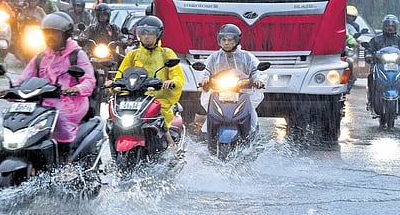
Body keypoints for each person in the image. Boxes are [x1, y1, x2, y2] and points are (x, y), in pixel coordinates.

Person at [15, 11, 96, 165]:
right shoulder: (41, 56)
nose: (50, 37)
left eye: (54, 33)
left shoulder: (76, 55)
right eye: (47, 33)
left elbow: (89, 80)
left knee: (61, 119)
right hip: (42, 104)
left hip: (71, 103)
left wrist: (76, 89)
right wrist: (13, 90)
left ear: (65, 35)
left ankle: (66, 162)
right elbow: (24, 78)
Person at [107, 16, 184, 150]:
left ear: (158, 34)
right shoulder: (133, 55)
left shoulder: (166, 53)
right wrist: (114, 85)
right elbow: (121, 74)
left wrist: (172, 82)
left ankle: (171, 146)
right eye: (143, 33)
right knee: (113, 121)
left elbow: (177, 76)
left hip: (158, 98)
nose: (146, 37)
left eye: (150, 33)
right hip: (134, 97)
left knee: (161, 116)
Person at [200, 24, 266, 134]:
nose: (226, 43)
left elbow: (256, 70)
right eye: (223, 39)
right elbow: (206, 70)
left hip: (242, 91)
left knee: (252, 116)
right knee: (211, 113)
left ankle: (250, 134)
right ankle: (210, 135)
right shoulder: (214, 57)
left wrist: (257, 80)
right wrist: (204, 79)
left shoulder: (246, 56)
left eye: (229, 40)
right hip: (219, 91)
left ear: (236, 40)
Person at [364, 14, 400, 110]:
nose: (390, 28)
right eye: (387, 26)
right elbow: (369, 49)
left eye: (392, 26)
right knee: (371, 76)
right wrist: (369, 55)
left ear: (396, 27)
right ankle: (371, 99)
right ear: (383, 26)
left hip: (397, 66)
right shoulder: (376, 39)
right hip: (380, 65)